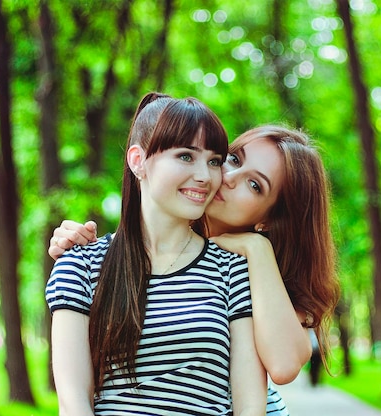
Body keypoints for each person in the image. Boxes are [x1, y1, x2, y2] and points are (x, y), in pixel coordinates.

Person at [50, 125, 340, 415]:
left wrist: (257, 250)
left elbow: (284, 365)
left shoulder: (256, 270)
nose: (228, 178)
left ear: (269, 221)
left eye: (255, 185)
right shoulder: (163, 241)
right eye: (233, 160)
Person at [46, 92, 267, 416]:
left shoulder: (231, 270)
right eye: (186, 157)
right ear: (138, 161)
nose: (205, 176)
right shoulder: (81, 266)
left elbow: (250, 406)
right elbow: (73, 402)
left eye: (214, 161)